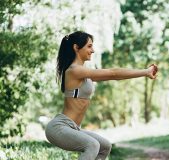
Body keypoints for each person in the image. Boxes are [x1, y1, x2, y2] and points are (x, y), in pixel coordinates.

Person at [45, 31, 158, 160]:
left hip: (74, 128)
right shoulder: (74, 70)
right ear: (76, 48)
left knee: (105, 146)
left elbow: (115, 76)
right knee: (92, 145)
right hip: (59, 127)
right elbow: (113, 73)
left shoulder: (84, 73)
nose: (92, 50)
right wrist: (145, 72)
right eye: (89, 46)